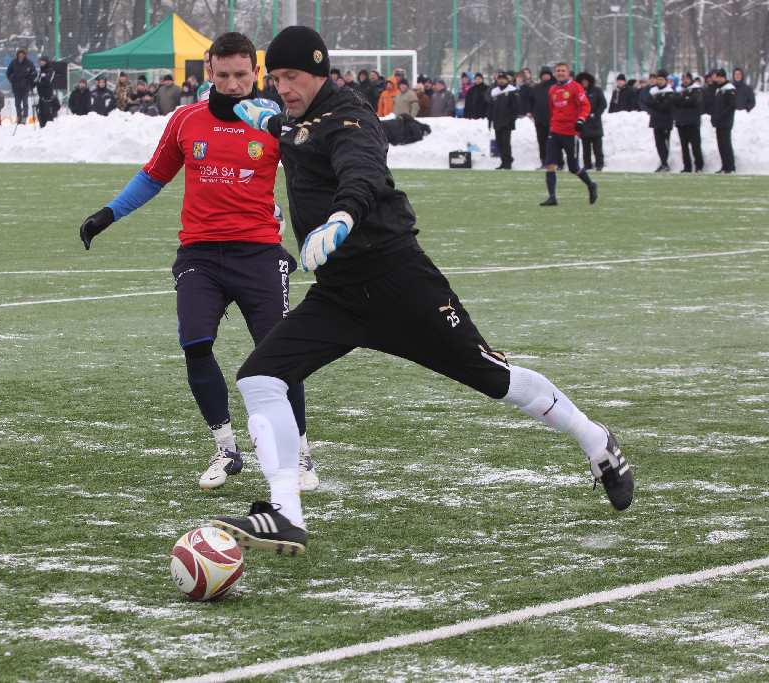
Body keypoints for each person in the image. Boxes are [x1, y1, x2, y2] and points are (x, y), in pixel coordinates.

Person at [216, 27, 633, 554]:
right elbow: (294, 131)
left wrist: (341, 218)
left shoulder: (351, 119)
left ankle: (597, 442)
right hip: (339, 295)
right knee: (260, 376)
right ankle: (284, 513)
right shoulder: (298, 118)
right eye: (274, 78)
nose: (283, 87)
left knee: (494, 377)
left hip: (399, 283)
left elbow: (360, 172)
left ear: (320, 72)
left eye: (291, 77)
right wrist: (271, 119)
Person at [77, 31, 318, 493]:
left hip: (260, 253)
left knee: (281, 356)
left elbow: (312, 169)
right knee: (195, 344)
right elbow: (154, 175)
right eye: (223, 74)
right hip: (200, 254)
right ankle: (226, 449)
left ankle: (302, 455)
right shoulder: (186, 120)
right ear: (209, 71)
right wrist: (109, 213)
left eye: (241, 75)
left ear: (256, 73)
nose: (232, 84)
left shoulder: (275, 120)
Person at [539, 62, 598, 207]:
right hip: (555, 132)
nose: (560, 73)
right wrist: (552, 124)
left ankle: (591, 185)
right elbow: (553, 109)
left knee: (573, 167)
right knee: (550, 164)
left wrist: (580, 120)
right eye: (558, 71)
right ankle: (552, 197)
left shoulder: (575, 87)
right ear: (555, 73)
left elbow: (586, 106)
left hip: (570, 133)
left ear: (568, 72)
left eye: (563, 71)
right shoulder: (552, 89)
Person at [525, 66, 556, 169]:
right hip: (539, 120)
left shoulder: (555, 86)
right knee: (541, 141)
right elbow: (530, 100)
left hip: (553, 120)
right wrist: (530, 111)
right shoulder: (536, 88)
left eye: (547, 74)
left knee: (553, 142)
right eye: (543, 75)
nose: (545, 76)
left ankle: (556, 162)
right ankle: (544, 161)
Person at [672, 72, 704, 173]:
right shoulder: (678, 90)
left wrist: (683, 100)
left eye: (687, 79)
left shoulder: (696, 89)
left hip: (693, 122)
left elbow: (694, 101)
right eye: (683, 79)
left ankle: (699, 166)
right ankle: (687, 167)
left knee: (696, 146)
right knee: (684, 147)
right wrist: (685, 98)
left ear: (691, 80)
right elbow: (674, 101)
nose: (685, 81)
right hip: (681, 122)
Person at [575, 72, 606, 172]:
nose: (584, 83)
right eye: (582, 81)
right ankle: (587, 165)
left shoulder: (597, 91)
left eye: (585, 81)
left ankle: (599, 164)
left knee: (597, 146)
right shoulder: (578, 92)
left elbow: (603, 104)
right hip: (583, 122)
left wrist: (596, 114)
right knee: (585, 147)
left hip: (595, 123)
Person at [488, 72, 519, 170]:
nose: (501, 80)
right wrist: (490, 119)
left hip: (507, 122)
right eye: (499, 78)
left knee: (506, 143)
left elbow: (515, 107)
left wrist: (512, 119)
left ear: (507, 80)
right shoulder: (494, 91)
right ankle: (503, 161)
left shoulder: (512, 90)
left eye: (503, 79)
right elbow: (491, 107)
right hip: (497, 121)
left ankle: (508, 162)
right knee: (499, 143)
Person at [709, 68, 736, 174]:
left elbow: (731, 106)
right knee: (720, 144)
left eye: (720, 77)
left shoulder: (729, 89)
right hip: (719, 122)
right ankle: (724, 166)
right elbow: (715, 106)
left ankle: (730, 166)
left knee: (726, 144)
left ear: (724, 77)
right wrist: (713, 117)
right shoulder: (718, 89)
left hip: (726, 121)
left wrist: (721, 116)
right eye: (718, 77)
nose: (718, 79)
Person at [647, 70, 675, 172]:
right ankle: (663, 163)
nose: (659, 81)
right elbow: (648, 102)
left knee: (665, 143)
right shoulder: (653, 91)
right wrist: (656, 102)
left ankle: (665, 163)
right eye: (658, 79)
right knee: (658, 143)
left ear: (666, 81)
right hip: (655, 120)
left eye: (661, 79)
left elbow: (665, 106)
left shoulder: (669, 92)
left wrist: (655, 102)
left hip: (665, 121)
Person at [6, 49, 37, 124]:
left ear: (25, 55)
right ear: (17, 55)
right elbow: (8, 72)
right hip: (16, 86)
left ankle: (24, 117)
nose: (21, 55)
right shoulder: (13, 62)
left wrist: (30, 77)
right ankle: (19, 116)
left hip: (25, 86)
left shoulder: (29, 63)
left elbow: (34, 72)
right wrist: (12, 79)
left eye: (23, 54)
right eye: (20, 54)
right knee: (17, 103)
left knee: (25, 102)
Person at [35, 56, 58, 127]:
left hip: (48, 96)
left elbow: (48, 81)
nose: (41, 63)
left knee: (47, 113)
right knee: (40, 113)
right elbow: (38, 80)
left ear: (46, 61)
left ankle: (49, 127)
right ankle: (42, 127)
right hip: (41, 95)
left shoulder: (51, 70)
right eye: (40, 61)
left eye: (42, 61)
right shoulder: (41, 70)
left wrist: (39, 83)